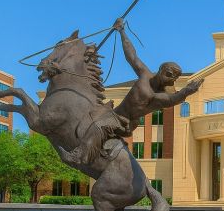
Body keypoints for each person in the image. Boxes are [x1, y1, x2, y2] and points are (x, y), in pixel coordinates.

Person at [59, 18, 203, 165]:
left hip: (123, 122)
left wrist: (187, 91)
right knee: (89, 114)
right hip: (114, 113)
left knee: (99, 126)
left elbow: (173, 100)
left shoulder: (159, 96)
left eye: (174, 77)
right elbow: (132, 56)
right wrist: (122, 31)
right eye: (168, 73)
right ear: (161, 69)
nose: (170, 78)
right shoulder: (145, 74)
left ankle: (79, 157)